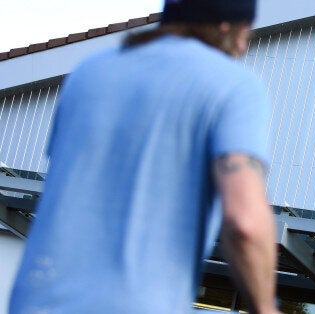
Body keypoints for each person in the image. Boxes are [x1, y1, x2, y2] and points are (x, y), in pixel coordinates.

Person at [10, 0, 279, 313]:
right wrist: (265, 307)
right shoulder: (234, 85)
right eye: (245, 32)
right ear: (225, 26)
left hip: (36, 300)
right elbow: (244, 223)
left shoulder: (89, 71)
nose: (245, 46)